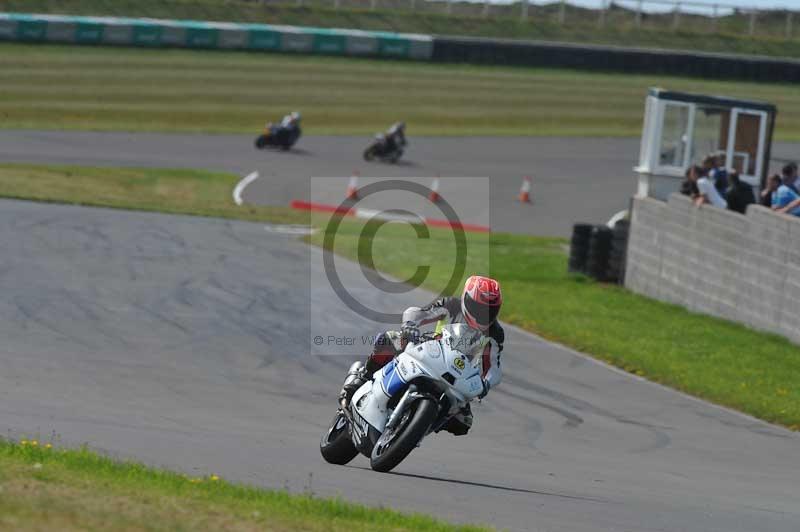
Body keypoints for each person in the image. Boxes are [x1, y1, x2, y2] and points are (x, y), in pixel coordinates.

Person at [339, 275, 504, 436]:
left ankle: (416, 428)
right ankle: (363, 377)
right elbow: (418, 313)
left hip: (459, 372)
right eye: (479, 307)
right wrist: (410, 325)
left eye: (490, 310)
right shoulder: (452, 305)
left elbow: (494, 367)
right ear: (466, 299)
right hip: (431, 351)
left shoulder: (496, 333)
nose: (484, 314)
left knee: (463, 422)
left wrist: (486, 383)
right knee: (389, 339)